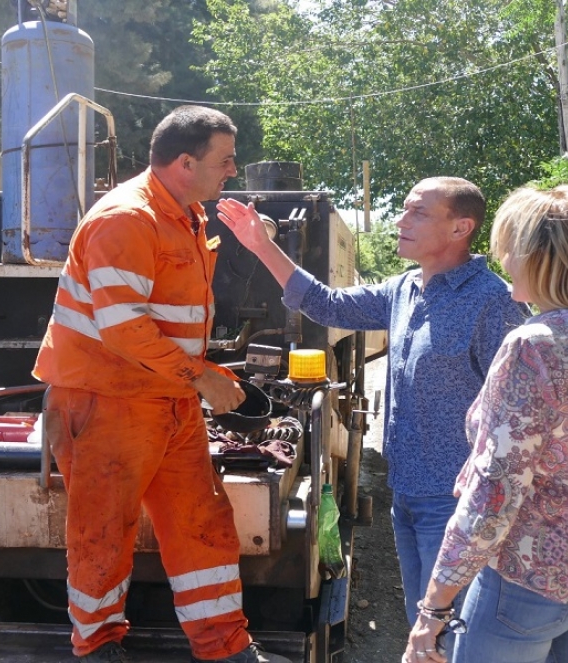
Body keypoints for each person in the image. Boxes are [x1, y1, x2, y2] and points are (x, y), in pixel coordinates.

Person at [34, 106, 290, 663]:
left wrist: (204, 378)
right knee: (104, 531)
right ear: (184, 163)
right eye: (225, 160)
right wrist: (202, 378)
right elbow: (124, 328)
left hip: (166, 398)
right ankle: (97, 647)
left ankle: (225, 647)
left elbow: (164, 322)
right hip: (106, 401)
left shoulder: (184, 214)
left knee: (202, 521)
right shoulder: (126, 218)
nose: (233, 170)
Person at [216, 177, 530, 632]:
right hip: (407, 492)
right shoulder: (404, 290)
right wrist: (262, 246)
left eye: (418, 212)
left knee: (452, 631)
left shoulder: (493, 302)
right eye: (403, 208)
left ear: (461, 228)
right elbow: (325, 304)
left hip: (458, 502)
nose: (400, 221)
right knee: (424, 625)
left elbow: (521, 414)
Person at [403, 185, 568, 663]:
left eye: (509, 248)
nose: (503, 259)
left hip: (528, 581)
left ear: (540, 259)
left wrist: (434, 607)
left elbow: (494, 493)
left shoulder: (534, 346)